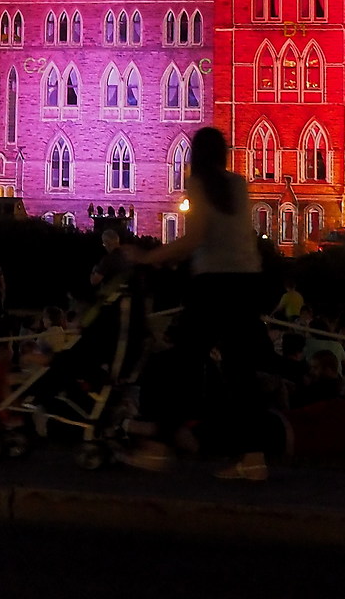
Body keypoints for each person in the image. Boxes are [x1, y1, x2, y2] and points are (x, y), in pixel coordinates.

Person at [131, 125, 274, 481]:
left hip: (214, 286)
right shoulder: (238, 186)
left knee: (182, 363)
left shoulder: (199, 186)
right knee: (240, 371)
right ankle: (254, 458)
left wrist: (150, 258)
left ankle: (159, 448)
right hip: (247, 281)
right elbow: (231, 237)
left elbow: (194, 239)